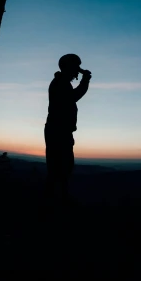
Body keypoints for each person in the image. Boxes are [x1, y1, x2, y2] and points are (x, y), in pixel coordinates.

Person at [44, 53, 92, 206]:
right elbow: (74, 97)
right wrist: (85, 80)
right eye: (75, 67)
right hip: (59, 131)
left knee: (60, 167)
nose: (77, 71)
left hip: (58, 130)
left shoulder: (61, 82)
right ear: (69, 67)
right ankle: (58, 201)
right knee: (61, 167)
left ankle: (57, 198)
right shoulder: (60, 83)